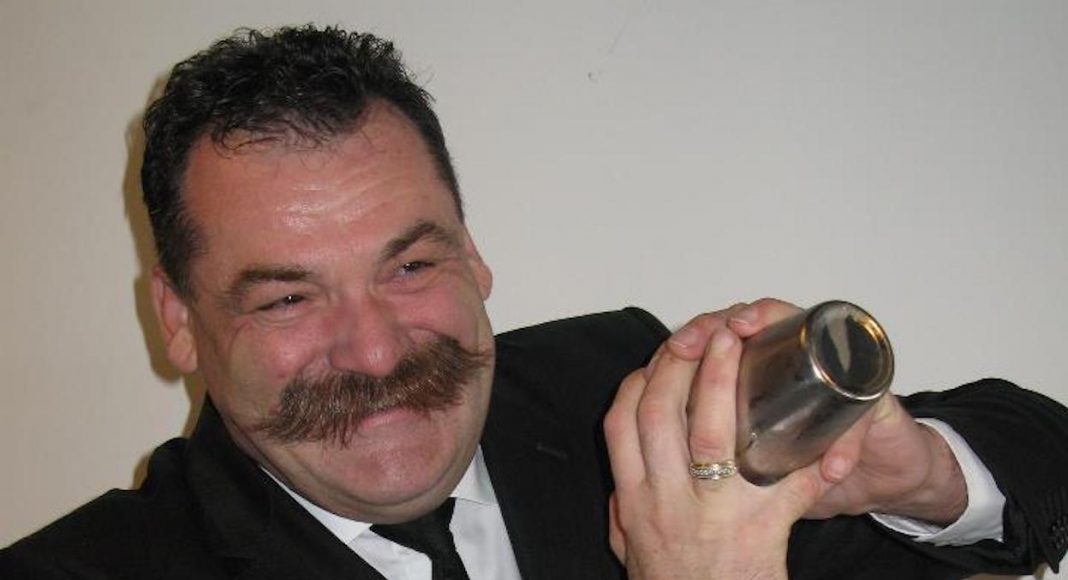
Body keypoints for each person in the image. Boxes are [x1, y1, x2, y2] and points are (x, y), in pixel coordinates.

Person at [1, 25, 1066, 580]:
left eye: (410, 268)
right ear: (177, 320)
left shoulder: (621, 391)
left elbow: (1043, 454)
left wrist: (920, 479)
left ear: (473, 253)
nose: (375, 351)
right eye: (286, 298)